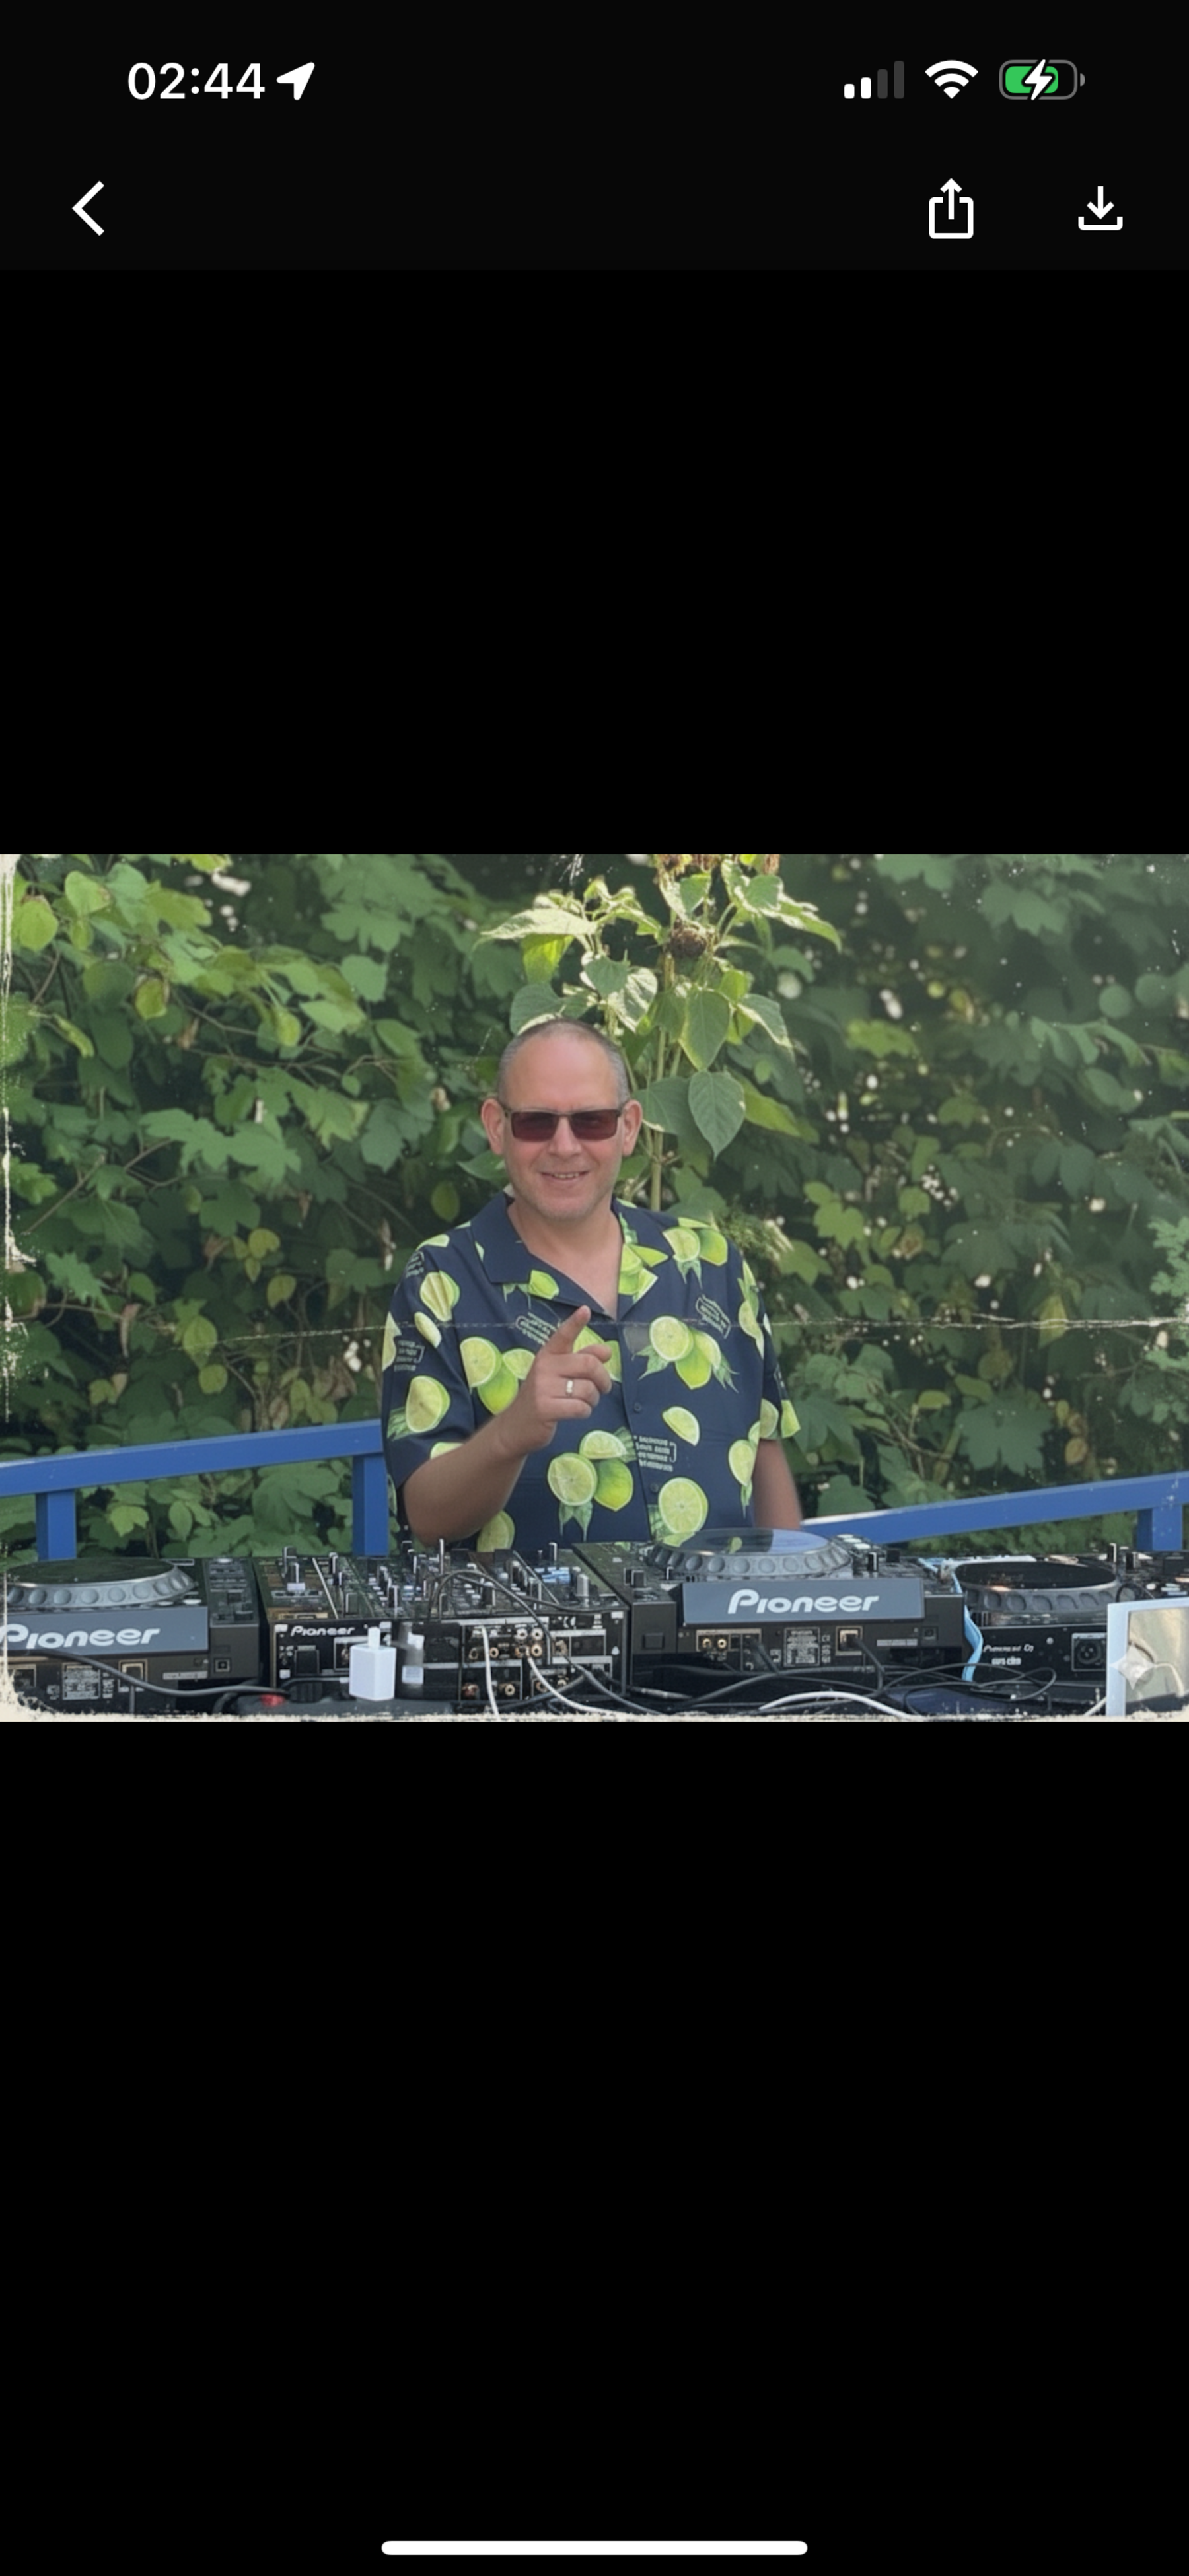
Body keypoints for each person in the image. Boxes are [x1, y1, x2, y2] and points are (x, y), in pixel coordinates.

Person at [380, 1018, 803, 1552]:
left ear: (629, 1127)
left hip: (722, 1607)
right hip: (534, 1611)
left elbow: (765, 1452)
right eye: (536, 1122)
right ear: (496, 1127)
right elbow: (426, 1515)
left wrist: (791, 1592)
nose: (564, 1145)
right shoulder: (441, 1279)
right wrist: (511, 1433)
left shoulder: (712, 1263)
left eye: (592, 1121)